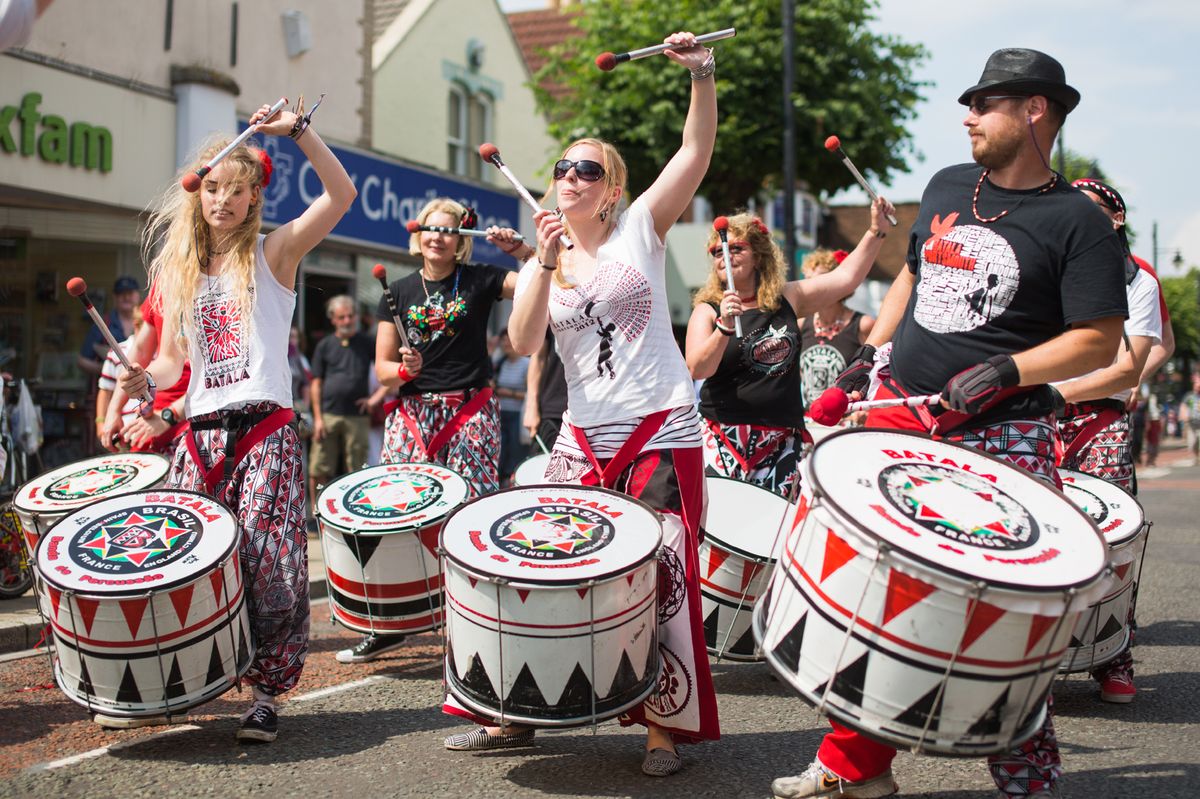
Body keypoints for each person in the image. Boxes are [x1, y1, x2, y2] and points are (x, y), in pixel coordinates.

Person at [770, 48, 1128, 799]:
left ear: (1035, 111)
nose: (968, 115)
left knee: (1006, 613)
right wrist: (867, 363)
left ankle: (1027, 777)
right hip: (903, 408)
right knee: (878, 588)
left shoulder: (1079, 222)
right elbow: (911, 275)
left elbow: (1096, 337)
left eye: (985, 103)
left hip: (1006, 430)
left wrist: (1007, 370)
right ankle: (853, 768)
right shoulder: (945, 185)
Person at [455, 31, 719, 778]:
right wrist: (540, 261)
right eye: (563, 167)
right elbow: (521, 338)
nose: (570, 176)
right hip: (583, 437)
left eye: (587, 168)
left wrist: (700, 73)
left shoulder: (641, 227)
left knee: (663, 574)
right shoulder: (547, 258)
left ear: (610, 187)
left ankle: (662, 727)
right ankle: (518, 709)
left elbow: (694, 152)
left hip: (661, 426)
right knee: (540, 562)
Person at [119, 99, 356, 742]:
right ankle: (196, 676)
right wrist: (147, 384)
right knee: (188, 561)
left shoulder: (276, 254)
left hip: (264, 432)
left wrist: (300, 132)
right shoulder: (179, 273)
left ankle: (267, 695)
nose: (222, 199)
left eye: (237, 189)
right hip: (199, 438)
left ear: (255, 198)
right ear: (197, 195)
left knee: (270, 567)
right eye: (213, 187)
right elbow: (173, 364)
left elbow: (341, 196)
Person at [337, 200, 531, 665]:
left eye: (447, 231)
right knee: (397, 518)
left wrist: (522, 250)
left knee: (469, 516)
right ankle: (385, 623)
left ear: (461, 238)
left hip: (470, 412)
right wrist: (402, 372)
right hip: (411, 418)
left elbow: (540, 284)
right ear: (417, 234)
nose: (437, 237)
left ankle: (476, 620)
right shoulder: (396, 290)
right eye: (429, 229)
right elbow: (383, 371)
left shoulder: (483, 278)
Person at [685, 205, 891, 497]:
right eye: (717, 252)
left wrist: (876, 230)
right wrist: (724, 328)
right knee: (719, 528)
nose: (725, 257)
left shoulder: (788, 298)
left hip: (780, 441)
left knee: (771, 532)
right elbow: (697, 368)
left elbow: (846, 279)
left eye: (735, 248)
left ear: (758, 254)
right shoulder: (707, 311)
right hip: (722, 437)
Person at [1052, 178, 1162, 707]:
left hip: (1097, 420)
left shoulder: (1137, 280)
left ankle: (1113, 656)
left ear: (1115, 218)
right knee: (1033, 538)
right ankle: (1026, 663)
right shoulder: (1046, 264)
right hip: (1036, 419)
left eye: (1089, 207)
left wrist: (1053, 391)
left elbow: (1130, 363)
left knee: (1110, 541)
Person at [101, 285, 192, 456]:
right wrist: (114, 409)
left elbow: (220, 377)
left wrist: (170, 415)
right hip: (153, 424)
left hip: (196, 423)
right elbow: (144, 352)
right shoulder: (165, 282)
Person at [308, 295, 383, 500]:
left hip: (358, 415)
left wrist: (375, 399)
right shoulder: (325, 345)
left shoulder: (367, 342)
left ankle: (355, 511)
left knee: (359, 469)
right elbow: (316, 382)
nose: (347, 321)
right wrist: (317, 419)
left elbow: (386, 374)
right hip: (328, 414)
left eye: (351, 316)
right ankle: (317, 514)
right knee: (320, 467)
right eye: (342, 317)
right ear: (333, 319)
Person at [797, 249, 877, 408]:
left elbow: (879, 375)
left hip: (848, 421)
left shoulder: (863, 324)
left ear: (839, 284)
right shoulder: (801, 324)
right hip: (811, 419)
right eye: (806, 281)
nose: (809, 288)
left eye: (817, 281)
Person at [78, 276, 140, 378]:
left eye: (130, 293)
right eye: (121, 294)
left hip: (141, 388)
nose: (126, 297)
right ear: (114, 297)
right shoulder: (102, 324)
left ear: (138, 295)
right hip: (108, 389)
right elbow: (82, 361)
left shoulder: (147, 323)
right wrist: (110, 370)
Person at [492, 328, 529, 481]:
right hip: (500, 414)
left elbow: (530, 394)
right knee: (500, 452)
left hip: (518, 415)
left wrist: (508, 393)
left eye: (508, 339)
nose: (505, 343)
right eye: (503, 340)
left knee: (515, 452)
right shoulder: (499, 362)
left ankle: (513, 480)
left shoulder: (527, 364)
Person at [523, 329, 568, 457]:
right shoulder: (549, 308)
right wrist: (531, 407)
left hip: (604, 409)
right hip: (555, 408)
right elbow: (538, 356)